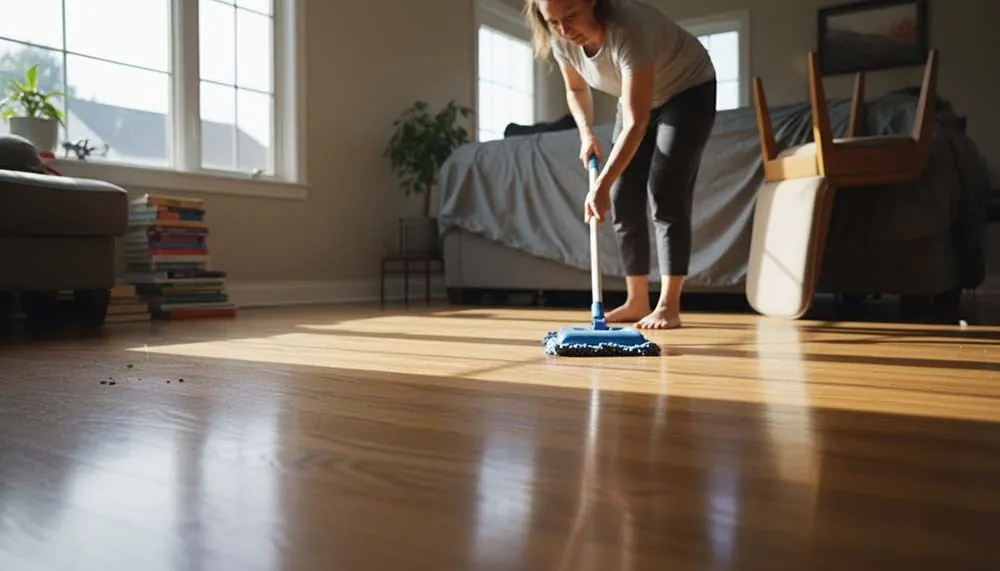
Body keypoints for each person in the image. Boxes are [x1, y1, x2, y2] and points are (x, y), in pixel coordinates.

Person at [526, 0, 717, 329]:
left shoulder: (629, 27)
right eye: (553, 22)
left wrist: (601, 184)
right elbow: (576, 88)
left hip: (688, 89)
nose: (563, 30)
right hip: (639, 100)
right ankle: (636, 301)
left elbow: (636, 123)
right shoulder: (561, 39)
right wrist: (586, 133)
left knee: (665, 191)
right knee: (623, 196)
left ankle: (668, 306)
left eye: (570, 16)